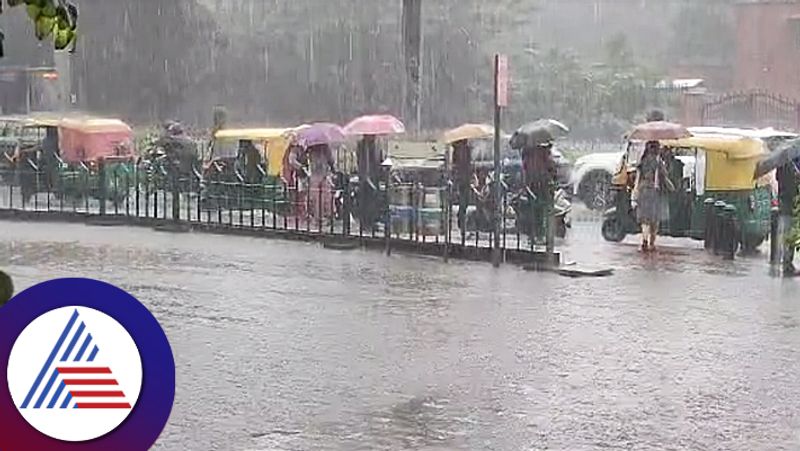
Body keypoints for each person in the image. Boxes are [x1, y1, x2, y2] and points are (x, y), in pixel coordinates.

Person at [632, 141, 673, 252]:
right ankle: (652, 244)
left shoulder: (642, 161)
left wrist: (635, 192)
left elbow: (637, 179)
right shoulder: (658, 162)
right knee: (654, 220)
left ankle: (644, 240)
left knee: (645, 220)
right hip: (655, 193)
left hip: (643, 191)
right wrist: (671, 187)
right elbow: (664, 178)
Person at [521, 139, 557, 245]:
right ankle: (539, 236)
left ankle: (535, 236)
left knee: (536, 213)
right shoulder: (541, 156)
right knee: (540, 213)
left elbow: (525, 171)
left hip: (534, 187)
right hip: (539, 187)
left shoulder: (530, 155)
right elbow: (551, 169)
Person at [306, 143, 336, 223]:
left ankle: (318, 216)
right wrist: (333, 170)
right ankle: (327, 215)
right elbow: (331, 160)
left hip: (315, 173)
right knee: (325, 196)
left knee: (317, 196)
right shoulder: (325, 147)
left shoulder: (311, 147)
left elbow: (307, 159)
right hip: (323, 173)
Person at [451, 139, 473, 235]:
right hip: (462, 179)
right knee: (463, 201)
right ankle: (462, 223)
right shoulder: (461, 150)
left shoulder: (462, 150)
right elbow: (461, 164)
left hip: (463, 178)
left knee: (464, 202)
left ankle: (461, 222)